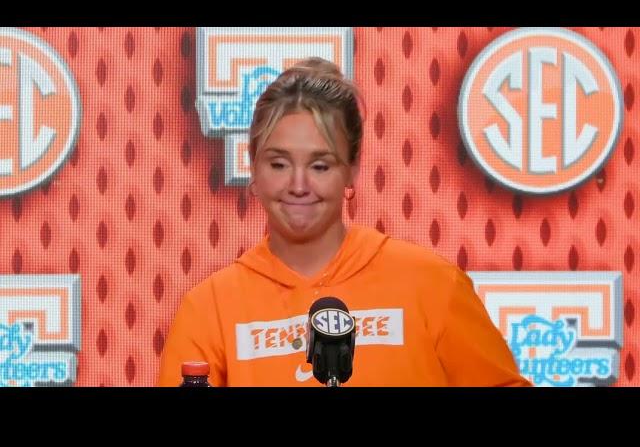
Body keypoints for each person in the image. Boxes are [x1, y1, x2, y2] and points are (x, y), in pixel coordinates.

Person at [157, 57, 531, 387]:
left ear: (351, 170)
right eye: (279, 164)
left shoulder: (432, 285)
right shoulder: (210, 309)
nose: (298, 185)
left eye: (320, 165)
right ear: (253, 169)